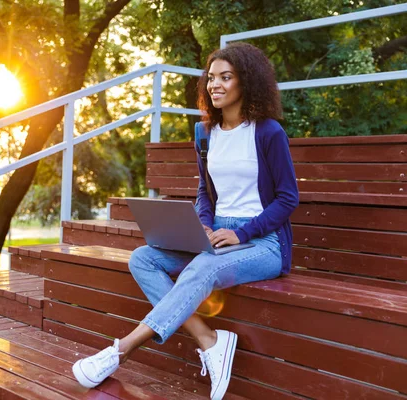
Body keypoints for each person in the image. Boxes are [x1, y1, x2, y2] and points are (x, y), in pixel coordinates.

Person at [72, 42, 299, 400]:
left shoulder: (268, 132)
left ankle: (120, 351)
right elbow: (205, 192)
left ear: (247, 82)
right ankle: (209, 340)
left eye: (226, 77)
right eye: (211, 78)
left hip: (263, 242)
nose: (215, 85)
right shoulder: (205, 133)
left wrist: (241, 233)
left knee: (204, 267)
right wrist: (204, 225)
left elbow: (288, 198)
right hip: (217, 236)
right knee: (143, 258)